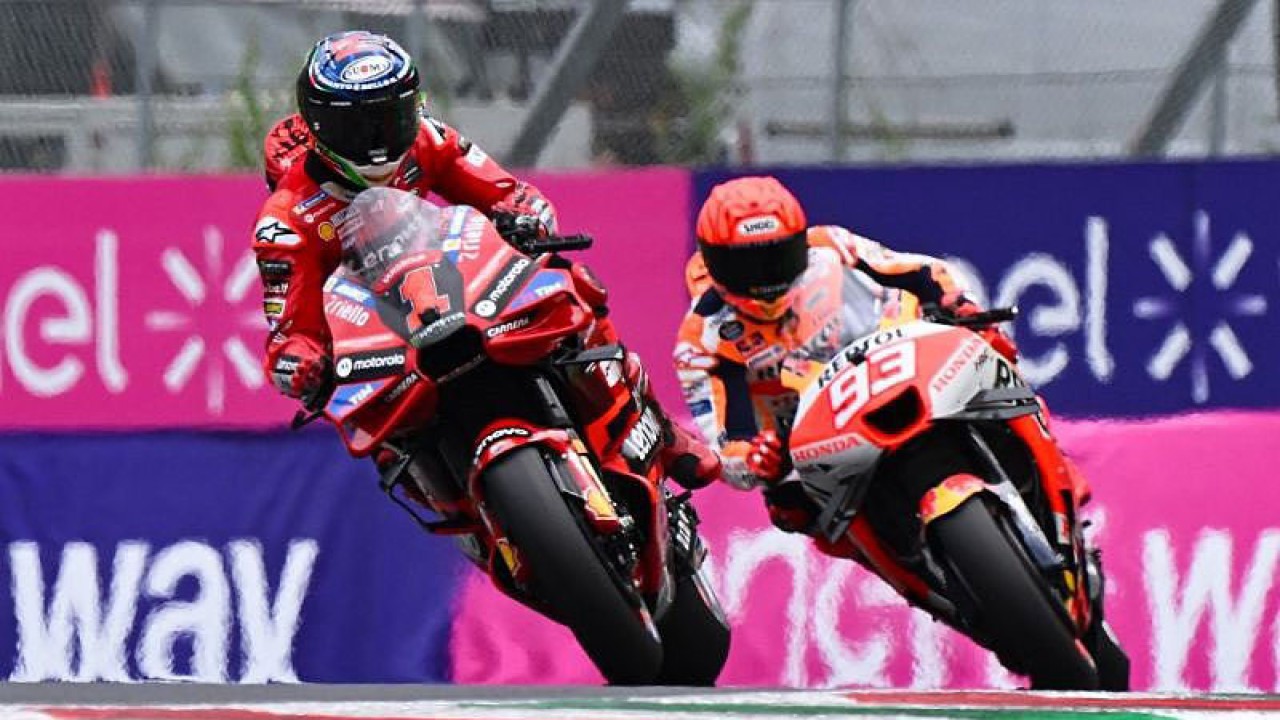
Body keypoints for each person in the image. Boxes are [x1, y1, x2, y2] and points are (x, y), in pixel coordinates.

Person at [254, 30, 718, 488]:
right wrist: (303, 362)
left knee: (565, 281)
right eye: (355, 127)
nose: (377, 140)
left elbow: (506, 194)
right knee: (373, 430)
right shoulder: (285, 220)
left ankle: (654, 424)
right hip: (378, 337)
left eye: (390, 116)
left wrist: (523, 217)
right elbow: (291, 331)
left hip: (451, 290)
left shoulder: (429, 139)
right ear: (317, 128)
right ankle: (462, 508)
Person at [673, 175, 1019, 532]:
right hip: (810, 442)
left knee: (989, 355)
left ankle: (1055, 473)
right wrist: (758, 460)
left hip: (894, 368)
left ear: (800, 242)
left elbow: (918, 272)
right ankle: (914, 569)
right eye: (746, 267)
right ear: (714, 265)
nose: (765, 279)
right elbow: (728, 445)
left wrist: (957, 305)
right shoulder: (701, 338)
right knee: (791, 511)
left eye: (778, 257)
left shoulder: (831, 245)